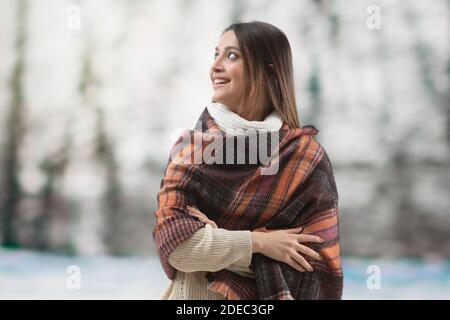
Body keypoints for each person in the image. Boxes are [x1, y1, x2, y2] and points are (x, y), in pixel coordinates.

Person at [153, 21, 343, 300]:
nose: (215, 66)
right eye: (215, 54)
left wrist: (216, 241)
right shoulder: (190, 150)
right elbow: (178, 248)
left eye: (231, 56)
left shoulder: (305, 159)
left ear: (267, 71)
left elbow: (312, 269)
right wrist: (261, 242)